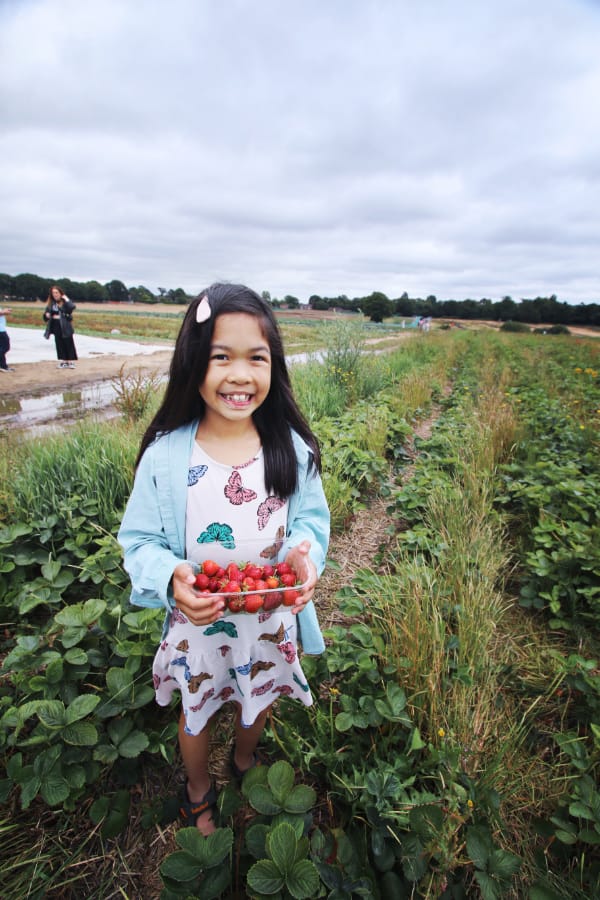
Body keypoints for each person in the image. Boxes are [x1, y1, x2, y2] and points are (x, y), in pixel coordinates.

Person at [118, 283, 330, 836]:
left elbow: (310, 523)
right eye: (221, 357)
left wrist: (305, 558)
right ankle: (196, 789)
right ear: (194, 365)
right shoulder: (166, 455)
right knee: (197, 707)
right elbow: (138, 540)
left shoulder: (292, 449)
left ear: (274, 366)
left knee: (255, 700)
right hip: (198, 624)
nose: (240, 375)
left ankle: (242, 762)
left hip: (268, 618)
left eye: (256, 358)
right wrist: (171, 577)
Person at [43, 285, 78, 368]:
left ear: (60, 293)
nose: (55, 294)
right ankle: (64, 361)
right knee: (59, 343)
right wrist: (46, 315)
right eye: (53, 293)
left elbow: (72, 307)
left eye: (56, 292)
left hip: (65, 326)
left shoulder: (65, 303)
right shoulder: (51, 303)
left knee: (68, 342)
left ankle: (70, 361)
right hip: (56, 325)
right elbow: (46, 313)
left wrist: (66, 299)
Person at [0, 306, 15, 372]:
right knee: (5, 347)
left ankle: (3, 365)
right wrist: (4, 312)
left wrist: (4, 310)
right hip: (1, 330)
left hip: (1, 329)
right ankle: (2, 366)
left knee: (2, 348)